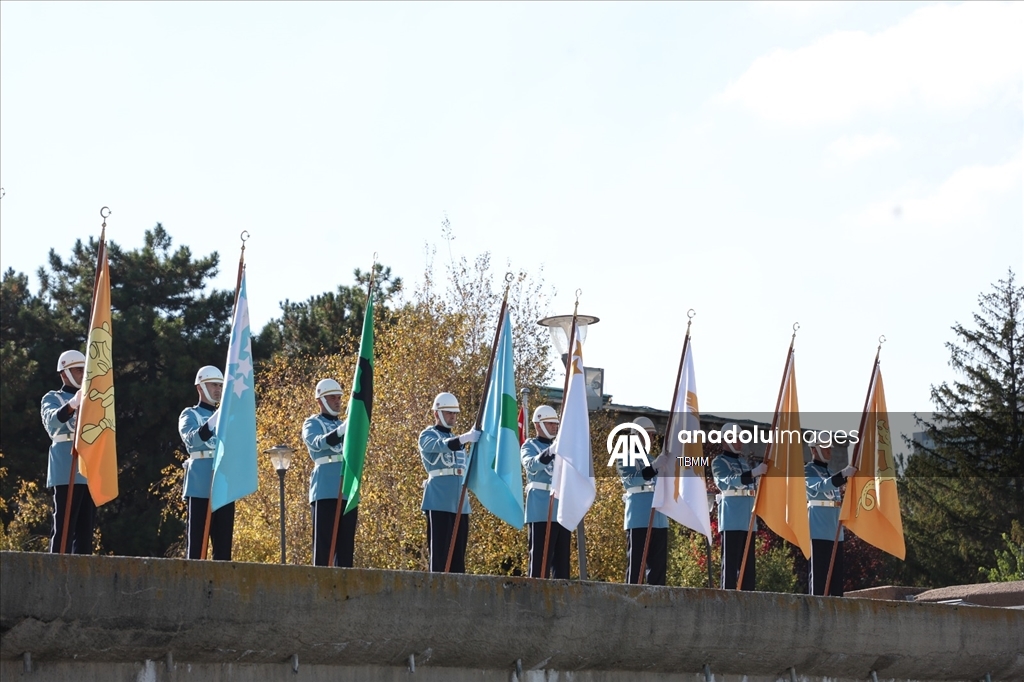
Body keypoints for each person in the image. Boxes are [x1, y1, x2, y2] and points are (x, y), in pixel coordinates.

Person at [40, 350, 95, 554]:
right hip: (65, 465)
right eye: (78, 370)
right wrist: (71, 405)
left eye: (84, 370)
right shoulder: (53, 397)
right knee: (64, 528)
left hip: (88, 466)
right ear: (64, 373)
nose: (83, 374)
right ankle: (57, 571)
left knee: (85, 531)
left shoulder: (92, 399)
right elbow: (52, 422)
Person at [419, 392, 480, 573]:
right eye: (448, 413)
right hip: (438, 498)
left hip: (460, 501)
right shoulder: (427, 434)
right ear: (437, 413)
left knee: (458, 557)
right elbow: (439, 446)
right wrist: (464, 439)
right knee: (439, 555)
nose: (452, 416)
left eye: (454, 413)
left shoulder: (459, 441)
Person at [178, 365, 234, 560]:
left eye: (220, 385)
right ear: (200, 387)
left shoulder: (228, 417)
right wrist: (214, 420)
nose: (218, 389)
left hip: (224, 484)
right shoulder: (189, 414)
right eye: (213, 385)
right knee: (197, 549)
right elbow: (192, 440)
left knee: (224, 551)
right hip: (200, 483)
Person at [303, 378, 357, 568]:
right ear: (321, 400)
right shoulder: (312, 422)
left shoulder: (345, 424)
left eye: (339, 398)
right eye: (332, 397)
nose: (337, 401)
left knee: (345, 546)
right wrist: (343, 430)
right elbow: (318, 443)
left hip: (347, 486)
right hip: (325, 486)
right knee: (324, 544)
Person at [711, 422, 767, 590]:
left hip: (748, 519)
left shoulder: (743, 462)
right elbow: (727, 483)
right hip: (732, 518)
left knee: (748, 570)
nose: (739, 441)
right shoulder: (718, 462)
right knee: (730, 568)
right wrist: (753, 473)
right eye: (736, 438)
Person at [617, 416, 671, 585]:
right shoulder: (625, 456)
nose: (652, 439)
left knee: (658, 570)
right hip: (639, 517)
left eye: (653, 435)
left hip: (660, 518)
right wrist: (654, 467)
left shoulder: (653, 457)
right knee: (636, 568)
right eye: (648, 434)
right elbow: (631, 480)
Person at [521, 405, 571, 579]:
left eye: (555, 423)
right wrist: (550, 451)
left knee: (562, 564)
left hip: (561, 509)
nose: (554, 427)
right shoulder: (529, 445)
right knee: (539, 563)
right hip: (541, 508)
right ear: (538, 425)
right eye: (550, 423)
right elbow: (532, 464)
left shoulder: (562, 448)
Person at [805, 438, 857, 596]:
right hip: (818, 530)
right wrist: (843, 475)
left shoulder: (829, 472)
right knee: (819, 582)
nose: (829, 451)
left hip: (835, 532)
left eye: (830, 448)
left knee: (836, 584)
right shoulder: (808, 470)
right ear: (814, 450)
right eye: (825, 448)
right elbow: (821, 486)